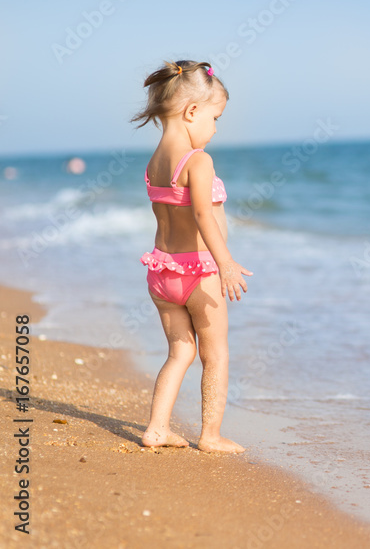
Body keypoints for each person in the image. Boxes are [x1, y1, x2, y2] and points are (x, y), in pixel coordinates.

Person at [132, 59, 252, 453]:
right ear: (192, 111)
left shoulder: (154, 164)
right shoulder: (197, 161)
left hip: (161, 273)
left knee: (180, 351)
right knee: (215, 354)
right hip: (199, 273)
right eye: (216, 118)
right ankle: (210, 434)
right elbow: (202, 215)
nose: (215, 129)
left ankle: (157, 429)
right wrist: (227, 264)